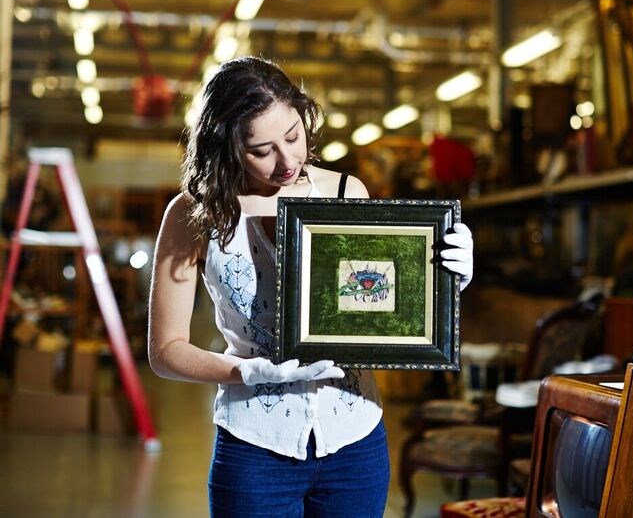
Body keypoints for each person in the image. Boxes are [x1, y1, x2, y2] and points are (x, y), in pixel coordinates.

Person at [147, 56, 474, 518]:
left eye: (293, 136)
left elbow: (378, 307)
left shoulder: (345, 193)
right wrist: (246, 371)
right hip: (255, 446)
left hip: (354, 441)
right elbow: (166, 351)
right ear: (225, 147)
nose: (287, 161)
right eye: (262, 149)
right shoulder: (193, 215)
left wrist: (444, 279)